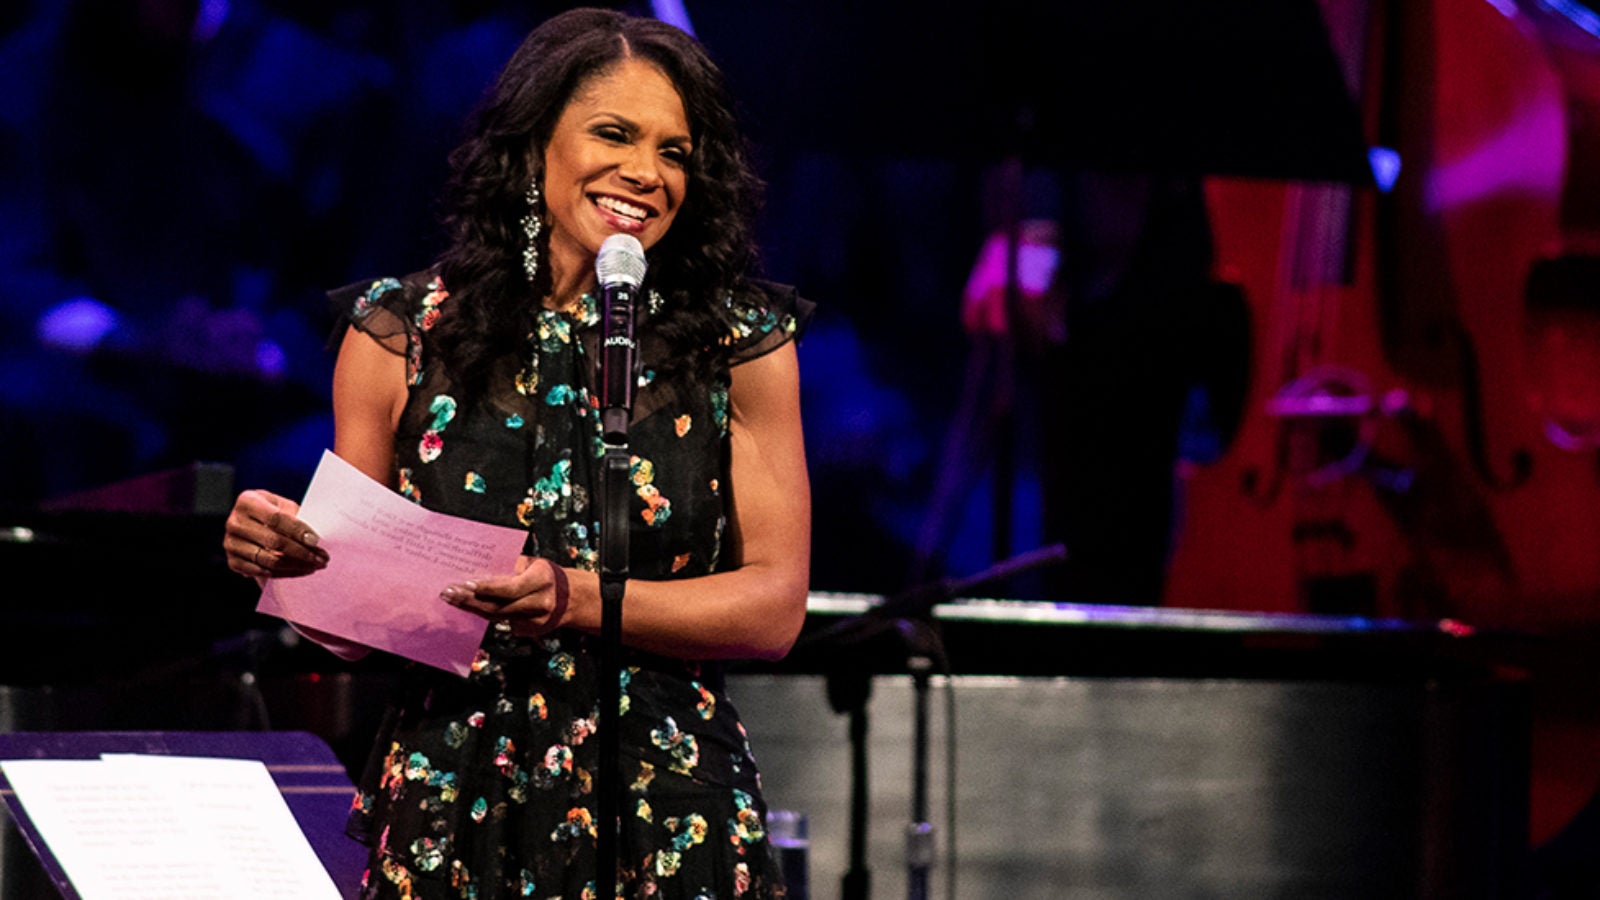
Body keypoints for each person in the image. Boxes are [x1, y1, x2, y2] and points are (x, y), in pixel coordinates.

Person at [221, 8, 811, 898]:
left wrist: (575, 598)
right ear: (534, 144)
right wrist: (288, 559)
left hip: (664, 796)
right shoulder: (402, 330)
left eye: (675, 152)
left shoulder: (737, 339)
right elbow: (341, 625)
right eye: (614, 135)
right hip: (455, 788)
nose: (646, 174)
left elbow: (773, 608)